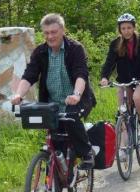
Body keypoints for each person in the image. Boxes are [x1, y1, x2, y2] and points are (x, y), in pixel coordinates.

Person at [11, 13, 96, 169]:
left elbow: (81, 74)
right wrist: (18, 94)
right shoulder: (40, 52)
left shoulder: (75, 49)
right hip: (52, 103)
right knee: (56, 142)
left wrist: (76, 95)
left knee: (71, 118)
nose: (50, 36)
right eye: (46, 33)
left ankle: (87, 153)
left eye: (54, 32)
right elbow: (30, 75)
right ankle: (54, 184)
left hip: (77, 99)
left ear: (63, 30)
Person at [100, 13, 140, 140]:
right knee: (122, 110)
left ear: (134, 27)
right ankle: (124, 147)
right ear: (120, 30)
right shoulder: (115, 44)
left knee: (137, 97)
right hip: (124, 80)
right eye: (123, 28)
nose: (126, 31)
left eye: (129, 28)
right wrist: (104, 77)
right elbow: (109, 63)